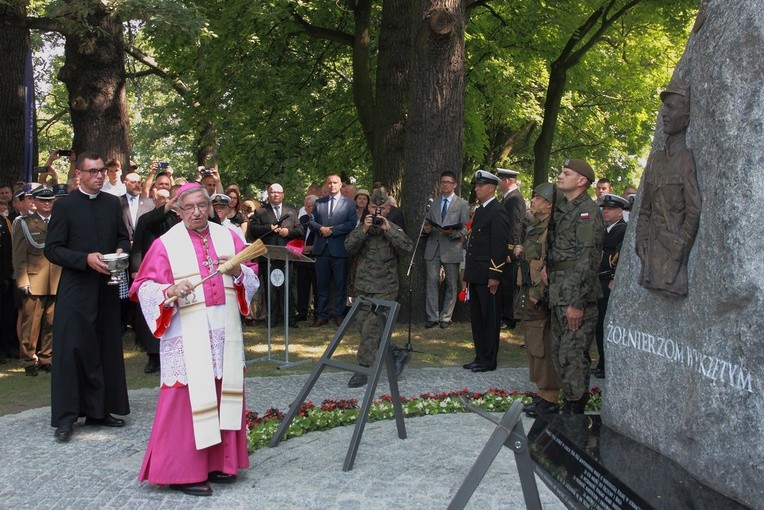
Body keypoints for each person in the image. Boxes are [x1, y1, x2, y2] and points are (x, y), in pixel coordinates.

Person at [130, 182, 258, 497]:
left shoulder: (228, 236)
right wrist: (168, 291)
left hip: (223, 330)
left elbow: (251, 274)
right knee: (184, 401)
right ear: (178, 210)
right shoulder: (165, 244)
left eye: (203, 205)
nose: (198, 212)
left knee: (221, 394)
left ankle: (219, 464)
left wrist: (239, 271)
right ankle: (181, 471)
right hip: (186, 332)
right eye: (190, 207)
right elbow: (142, 286)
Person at [44, 152, 131, 442]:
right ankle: (66, 417)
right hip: (76, 287)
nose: (98, 176)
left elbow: (122, 236)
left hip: (106, 286)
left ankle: (100, 410)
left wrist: (120, 250)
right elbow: (52, 249)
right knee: (72, 348)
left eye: (101, 171)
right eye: (92, 171)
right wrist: (84, 258)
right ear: (78, 174)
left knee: (105, 345)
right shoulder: (65, 206)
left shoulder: (111, 202)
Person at [546, 158, 603, 414]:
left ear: (582, 181)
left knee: (573, 357)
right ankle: (569, 405)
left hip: (574, 297)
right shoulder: (565, 209)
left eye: (566, 173)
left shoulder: (587, 211)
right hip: (559, 292)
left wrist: (577, 303)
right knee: (560, 354)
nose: (560, 176)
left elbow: (587, 259)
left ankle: (575, 412)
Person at [635, 79, 701, 297]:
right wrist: (641, 241)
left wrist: (679, 245)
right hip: (651, 258)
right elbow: (645, 208)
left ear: (687, 117)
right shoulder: (654, 160)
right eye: (664, 107)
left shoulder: (686, 160)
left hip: (672, 263)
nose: (664, 113)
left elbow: (694, 209)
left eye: (671, 107)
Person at [345, 190, 413, 387]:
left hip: (385, 288)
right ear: (368, 208)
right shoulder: (361, 229)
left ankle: (363, 369)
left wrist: (388, 228)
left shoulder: (393, 228)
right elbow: (348, 247)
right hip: (363, 287)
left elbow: (407, 248)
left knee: (371, 328)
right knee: (365, 327)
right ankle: (395, 353)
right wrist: (363, 230)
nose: (376, 212)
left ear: (388, 209)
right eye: (373, 208)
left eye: (381, 209)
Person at [514, 183, 561, 416]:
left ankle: (550, 395)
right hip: (529, 292)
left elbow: (548, 265)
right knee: (534, 343)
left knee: (543, 344)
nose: (531, 200)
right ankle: (543, 392)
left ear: (549, 204)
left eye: (537, 197)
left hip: (539, 296)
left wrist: (538, 293)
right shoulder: (537, 226)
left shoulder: (552, 228)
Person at [462, 170, 511, 372]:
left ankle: (489, 360)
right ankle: (480, 355)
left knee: (489, 318)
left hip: (488, 273)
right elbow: (473, 244)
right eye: (476, 185)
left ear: (491, 188)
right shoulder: (481, 210)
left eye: (480, 185)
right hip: (476, 272)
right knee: (477, 318)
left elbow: (499, 246)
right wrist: (467, 276)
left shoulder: (497, 211)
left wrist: (494, 275)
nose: (476, 188)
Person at [12, 187, 62, 376]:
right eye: (42, 201)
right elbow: (19, 255)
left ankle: (46, 357)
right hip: (34, 279)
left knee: (51, 321)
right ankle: (28, 359)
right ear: (36, 202)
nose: (47, 204)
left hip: (55, 279)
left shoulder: (58, 221)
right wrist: (22, 280)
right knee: (30, 323)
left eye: (50, 201)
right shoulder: (24, 223)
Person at [247, 183, 303, 326]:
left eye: (279, 192)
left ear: (283, 194)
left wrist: (288, 232)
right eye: (273, 192)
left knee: (288, 287)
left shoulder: (291, 211)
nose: (276, 195)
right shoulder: (261, 211)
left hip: (286, 256)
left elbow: (300, 230)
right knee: (271, 288)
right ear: (268, 193)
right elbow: (252, 229)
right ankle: (272, 318)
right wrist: (268, 228)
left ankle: (289, 318)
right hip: (269, 256)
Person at [422, 171, 469, 329]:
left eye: (448, 182)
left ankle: (446, 317)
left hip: (451, 247)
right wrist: (426, 229)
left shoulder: (462, 204)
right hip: (433, 245)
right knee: (432, 282)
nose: (445, 184)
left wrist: (452, 233)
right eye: (442, 182)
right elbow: (427, 222)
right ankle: (432, 316)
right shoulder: (433, 202)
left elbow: (465, 228)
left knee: (451, 283)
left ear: (455, 184)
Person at [308, 174, 356, 327]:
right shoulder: (319, 203)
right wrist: (321, 228)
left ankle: (339, 314)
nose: (332, 185)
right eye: (329, 183)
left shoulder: (349, 204)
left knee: (339, 284)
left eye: (335, 183)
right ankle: (321, 315)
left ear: (340, 184)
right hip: (321, 249)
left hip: (339, 249)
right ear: (326, 185)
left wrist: (333, 230)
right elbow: (311, 222)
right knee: (321, 285)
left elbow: (351, 223)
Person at [592, 193, 629, 379]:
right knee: (599, 325)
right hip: (599, 280)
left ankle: (607, 363)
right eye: (604, 209)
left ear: (620, 212)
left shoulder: (623, 230)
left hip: (609, 281)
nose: (605, 212)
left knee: (606, 324)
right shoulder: (604, 230)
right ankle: (601, 361)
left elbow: (619, 259)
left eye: (610, 209)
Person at [497, 167, 526, 330]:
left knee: (508, 284)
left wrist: (509, 251)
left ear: (507, 181)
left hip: (510, 250)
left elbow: (514, 228)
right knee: (504, 283)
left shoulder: (514, 199)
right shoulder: (508, 198)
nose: (499, 183)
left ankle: (508, 318)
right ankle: (504, 315)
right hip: (505, 247)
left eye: (500, 180)